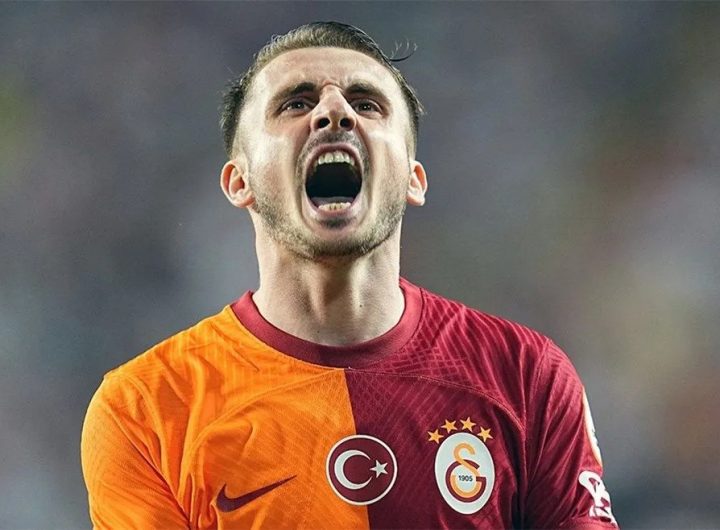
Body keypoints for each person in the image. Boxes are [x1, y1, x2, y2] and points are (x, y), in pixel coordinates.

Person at [81, 21, 618, 529]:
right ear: (238, 181)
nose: (334, 111)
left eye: (366, 104)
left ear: (413, 178)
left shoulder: (526, 376)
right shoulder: (145, 409)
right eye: (296, 103)